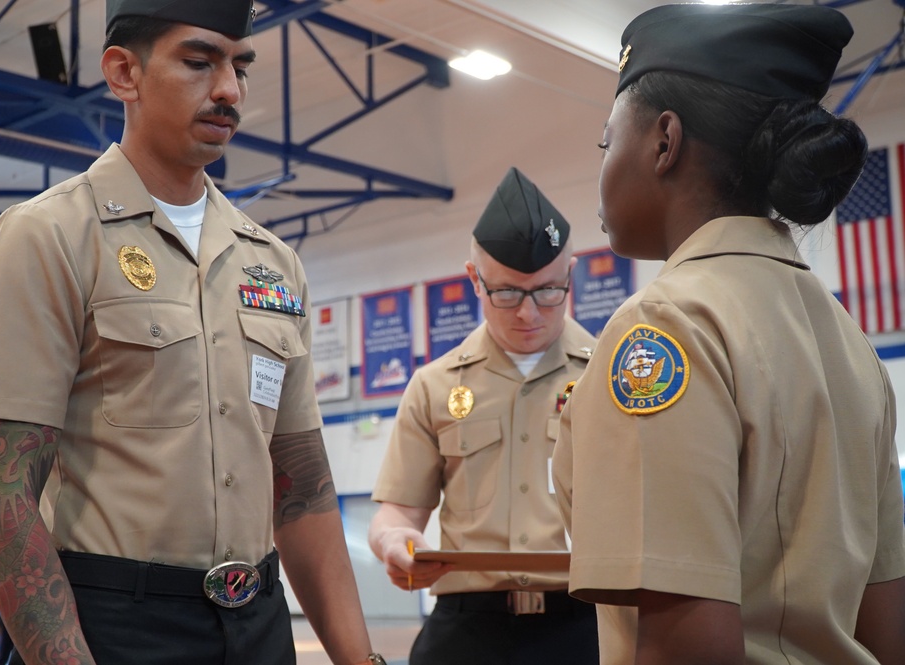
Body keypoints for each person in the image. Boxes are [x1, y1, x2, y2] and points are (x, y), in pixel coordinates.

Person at [0, 2, 384, 664]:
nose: (229, 89)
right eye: (198, 61)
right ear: (124, 72)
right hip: (107, 626)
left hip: (258, 627)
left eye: (239, 66)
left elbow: (301, 491)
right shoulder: (48, 238)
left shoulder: (271, 263)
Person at [550, 4, 905, 664]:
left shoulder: (664, 327)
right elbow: (886, 624)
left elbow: (685, 640)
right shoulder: (852, 344)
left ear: (664, 140)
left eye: (606, 142)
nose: (602, 168)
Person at [368, 167, 600, 664]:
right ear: (474, 279)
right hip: (466, 629)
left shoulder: (610, 378)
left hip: (585, 624)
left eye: (548, 291)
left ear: (571, 275)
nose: (529, 313)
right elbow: (397, 511)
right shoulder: (434, 386)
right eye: (508, 293)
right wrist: (393, 539)